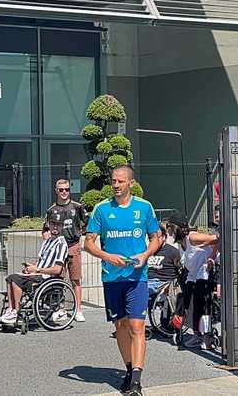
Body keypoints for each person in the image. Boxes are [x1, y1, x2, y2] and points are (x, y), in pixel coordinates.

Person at [84, 166, 160, 396]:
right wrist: (107, 257)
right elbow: (88, 243)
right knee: (121, 326)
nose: (115, 185)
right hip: (112, 277)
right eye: (113, 181)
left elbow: (156, 238)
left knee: (137, 326)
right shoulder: (102, 209)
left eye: (120, 181)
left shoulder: (144, 208)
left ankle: (136, 380)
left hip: (138, 277)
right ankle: (128, 370)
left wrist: (145, 255)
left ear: (131, 183)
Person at [0, 219, 68, 325]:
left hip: (48, 278)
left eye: (58, 225)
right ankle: (11, 309)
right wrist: (31, 268)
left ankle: (16, 312)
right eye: (53, 224)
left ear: (62, 227)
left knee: (17, 280)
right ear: (49, 225)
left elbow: (57, 269)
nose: (55, 227)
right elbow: (40, 262)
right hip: (38, 274)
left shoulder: (61, 244)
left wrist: (37, 270)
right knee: (11, 277)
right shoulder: (47, 242)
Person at [167, 212, 219, 350]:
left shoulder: (192, 237)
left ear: (175, 227)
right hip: (192, 274)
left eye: (169, 227)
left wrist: (212, 258)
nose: (169, 231)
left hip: (204, 272)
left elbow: (217, 239)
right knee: (187, 302)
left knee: (203, 306)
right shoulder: (180, 242)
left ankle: (207, 337)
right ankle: (196, 333)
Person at [46, 178, 88, 322]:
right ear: (56, 191)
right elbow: (45, 230)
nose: (64, 192)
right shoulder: (51, 210)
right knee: (58, 278)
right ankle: (60, 309)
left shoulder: (77, 207)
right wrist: (48, 241)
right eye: (61, 190)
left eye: (67, 189)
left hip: (73, 246)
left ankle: (78, 310)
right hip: (58, 248)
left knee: (75, 279)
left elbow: (88, 222)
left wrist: (83, 234)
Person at [147, 224, 181, 295]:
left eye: (157, 237)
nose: (154, 240)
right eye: (151, 238)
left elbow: (180, 272)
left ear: (164, 237)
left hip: (164, 283)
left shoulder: (173, 252)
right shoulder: (146, 252)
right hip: (147, 282)